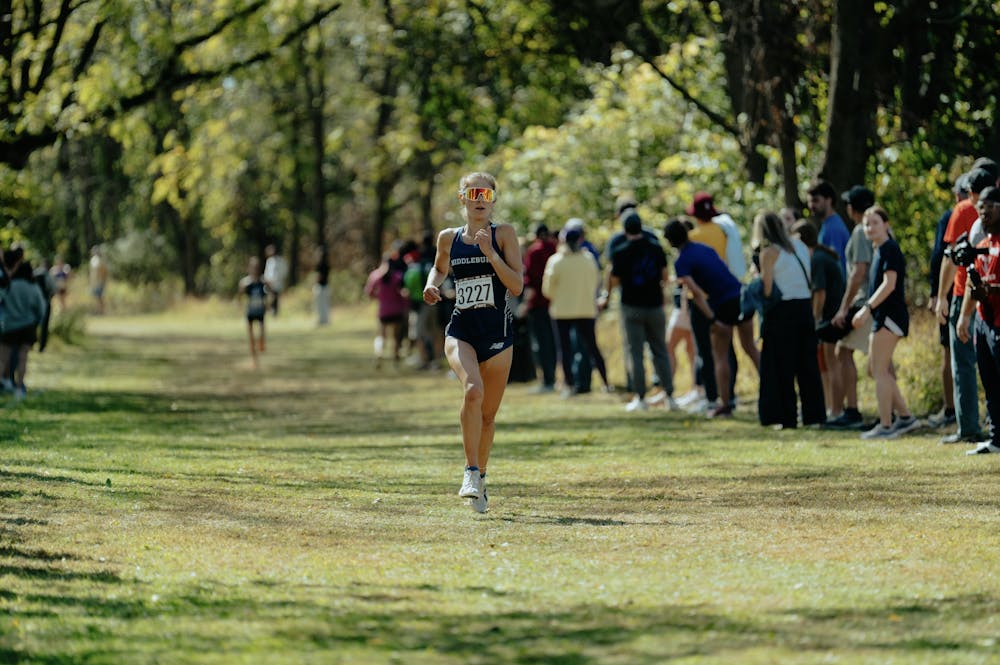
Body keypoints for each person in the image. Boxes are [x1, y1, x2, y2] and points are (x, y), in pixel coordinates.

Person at [423, 171, 523, 514]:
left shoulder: (504, 234)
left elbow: (517, 286)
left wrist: (491, 254)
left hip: (498, 335)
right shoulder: (448, 238)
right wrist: (431, 285)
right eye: (473, 193)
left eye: (487, 194)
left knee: (489, 418)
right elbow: (438, 269)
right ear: (462, 198)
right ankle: (469, 471)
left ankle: (481, 477)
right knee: (472, 391)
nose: (480, 199)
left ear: (493, 200)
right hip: (461, 329)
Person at [934, 168, 995, 444]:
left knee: (964, 362)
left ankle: (968, 426)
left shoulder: (962, 210)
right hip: (988, 295)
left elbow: (950, 257)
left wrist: (942, 296)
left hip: (966, 291)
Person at [850, 206, 920, 439]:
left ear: (886, 224)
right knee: (876, 369)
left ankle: (886, 426)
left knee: (878, 371)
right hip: (884, 318)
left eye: (875, 223)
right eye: (867, 224)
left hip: (889, 318)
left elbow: (889, 285)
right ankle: (906, 418)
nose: (870, 228)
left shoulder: (889, 249)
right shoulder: (879, 249)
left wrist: (867, 309)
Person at [754, 213, 825, 428]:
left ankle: (787, 416)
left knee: (782, 366)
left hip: (783, 311)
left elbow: (767, 289)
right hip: (804, 307)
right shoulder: (800, 245)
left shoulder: (769, 253)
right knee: (807, 365)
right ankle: (814, 415)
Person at [664, 219, 742, 417]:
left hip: (720, 303)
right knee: (742, 349)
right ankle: (731, 397)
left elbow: (696, 293)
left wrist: (713, 319)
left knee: (716, 354)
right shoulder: (704, 248)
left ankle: (716, 401)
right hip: (738, 294)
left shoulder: (682, 261)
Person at [826, 185, 876, 429]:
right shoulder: (881, 227)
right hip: (876, 300)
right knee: (879, 358)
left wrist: (843, 308)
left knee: (843, 352)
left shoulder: (860, 231)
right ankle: (894, 411)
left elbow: (858, 272)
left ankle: (853, 410)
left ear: (853, 208)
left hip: (864, 300)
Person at [542, 224, 611, 396]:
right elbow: (596, 282)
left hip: (562, 311)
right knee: (593, 348)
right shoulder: (588, 259)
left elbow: (547, 290)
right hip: (586, 309)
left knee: (564, 350)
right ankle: (606, 383)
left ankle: (569, 385)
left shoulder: (556, 261)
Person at [958, 186, 1000, 454]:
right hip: (984, 323)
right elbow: (977, 288)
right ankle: (997, 438)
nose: (983, 212)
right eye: (980, 207)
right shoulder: (983, 245)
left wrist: (990, 290)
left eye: (989, 206)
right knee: (990, 382)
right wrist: (965, 315)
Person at [926, 175, 969, 429]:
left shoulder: (952, 214)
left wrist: (937, 293)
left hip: (956, 291)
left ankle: (952, 409)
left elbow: (941, 256)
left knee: (951, 352)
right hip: (971, 290)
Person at [794, 220, 846, 421]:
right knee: (828, 365)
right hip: (831, 316)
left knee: (832, 365)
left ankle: (835, 411)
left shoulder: (817, 259)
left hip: (829, 318)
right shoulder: (821, 255)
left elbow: (820, 293)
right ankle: (832, 407)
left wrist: (814, 320)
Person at [0, 255, 48, 400]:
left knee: (2, 358)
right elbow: (41, 307)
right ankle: (20, 388)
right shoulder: (33, 287)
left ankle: (4, 382)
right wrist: (37, 321)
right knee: (23, 358)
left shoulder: (10, 285)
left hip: (9, 326)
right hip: (28, 326)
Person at [520, 223, 558, 393]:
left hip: (538, 305)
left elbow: (530, 282)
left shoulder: (534, 252)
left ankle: (548, 381)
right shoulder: (556, 248)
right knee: (554, 343)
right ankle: (558, 378)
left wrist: (525, 304)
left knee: (541, 344)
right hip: (556, 304)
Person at [365, 252, 409, 369]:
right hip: (397, 310)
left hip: (383, 311)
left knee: (381, 335)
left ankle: (379, 354)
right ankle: (395, 360)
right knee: (395, 337)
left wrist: (378, 297)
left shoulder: (375, 276)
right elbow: (403, 293)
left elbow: (369, 292)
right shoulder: (398, 276)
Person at [807, 181, 850, 272]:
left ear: (828, 200)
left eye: (815, 200)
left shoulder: (833, 228)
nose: (811, 205)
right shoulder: (828, 225)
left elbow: (835, 264)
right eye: (809, 201)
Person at [238, 257, 269, 368]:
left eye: (256, 267)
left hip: (260, 311)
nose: (254, 269)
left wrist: (269, 304)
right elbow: (240, 296)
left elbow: (270, 293)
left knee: (261, 333)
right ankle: (254, 360)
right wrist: (240, 305)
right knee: (251, 337)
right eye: (252, 267)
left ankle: (261, 342)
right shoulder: (246, 283)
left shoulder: (263, 282)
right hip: (250, 312)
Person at [263, 244, 289, 316]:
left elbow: (284, 271)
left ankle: (275, 312)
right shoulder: (269, 261)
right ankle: (269, 311)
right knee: (269, 298)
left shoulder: (280, 260)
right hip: (269, 283)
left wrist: (279, 280)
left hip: (277, 283)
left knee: (275, 298)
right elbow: (267, 273)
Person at [314, 245, 331, 326]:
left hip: (320, 286)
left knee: (319, 305)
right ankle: (326, 320)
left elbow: (319, 276)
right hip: (327, 286)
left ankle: (321, 320)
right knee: (325, 304)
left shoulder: (320, 264)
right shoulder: (327, 264)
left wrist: (314, 282)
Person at [88, 245, 109, 314]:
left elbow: (99, 271)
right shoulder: (96, 259)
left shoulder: (97, 259)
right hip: (97, 281)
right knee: (98, 297)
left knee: (99, 297)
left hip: (98, 281)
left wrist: (97, 281)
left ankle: (101, 311)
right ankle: (99, 311)